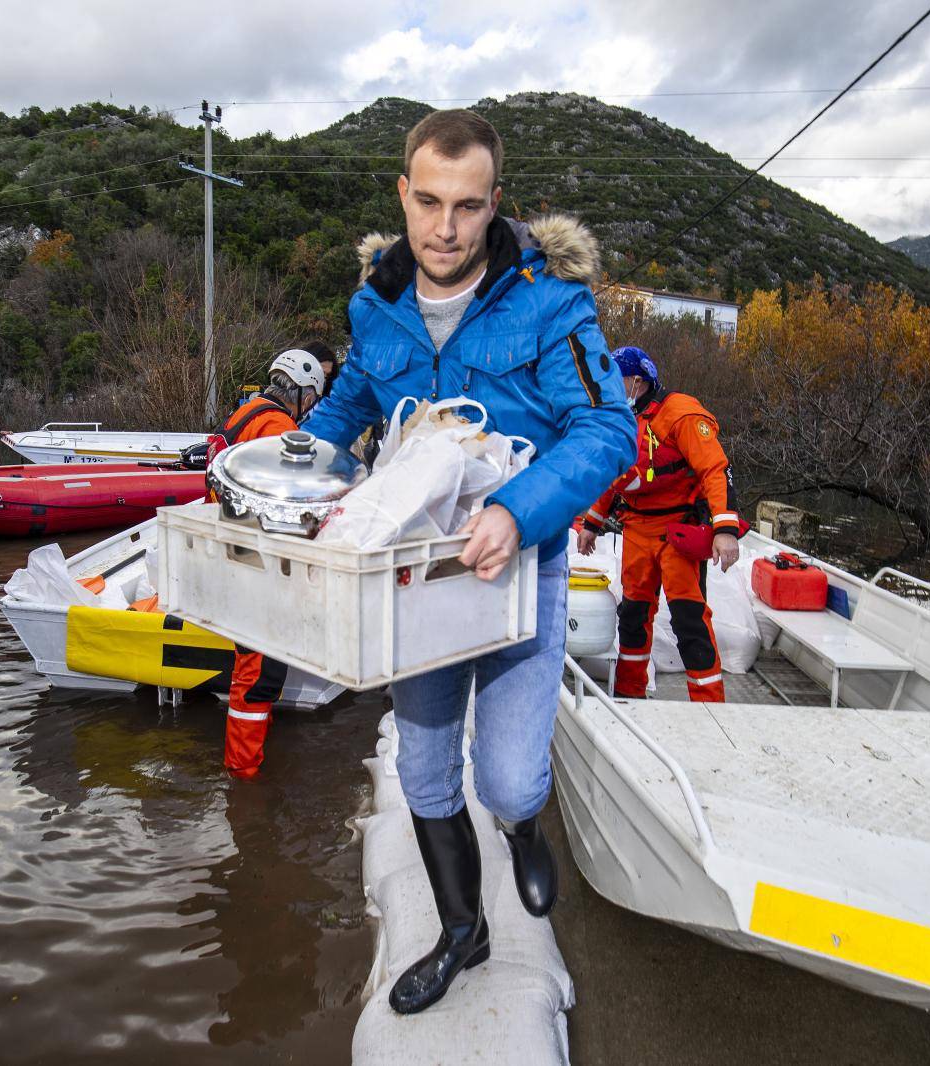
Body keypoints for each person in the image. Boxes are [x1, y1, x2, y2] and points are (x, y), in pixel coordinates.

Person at [301, 109, 636, 1014]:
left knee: (510, 778)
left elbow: (609, 427)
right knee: (422, 773)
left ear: (496, 205)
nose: (445, 229)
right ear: (402, 194)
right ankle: (463, 932)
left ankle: (524, 831)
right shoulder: (373, 305)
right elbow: (345, 409)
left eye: (469, 206)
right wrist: (284, 463)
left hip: (521, 564)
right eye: (430, 202)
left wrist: (516, 511)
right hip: (421, 576)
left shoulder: (550, 301)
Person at [578, 346, 743, 701]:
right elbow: (614, 474)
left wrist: (725, 529)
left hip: (676, 531)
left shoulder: (680, 414)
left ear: (637, 381)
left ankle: (709, 704)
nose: (611, 386)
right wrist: (592, 522)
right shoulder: (620, 419)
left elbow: (716, 470)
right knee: (633, 616)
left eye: (617, 379)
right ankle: (628, 693)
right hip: (637, 530)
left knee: (689, 619)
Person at [212, 348, 328, 778]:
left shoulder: (245, 414)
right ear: (299, 391)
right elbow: (287, 500)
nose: (310, 409)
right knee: (257, 674)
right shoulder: (278, 425)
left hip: (234, 547)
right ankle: (244, 775)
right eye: (310, 400)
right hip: (256, 561)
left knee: (256, 668)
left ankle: (249, 761)